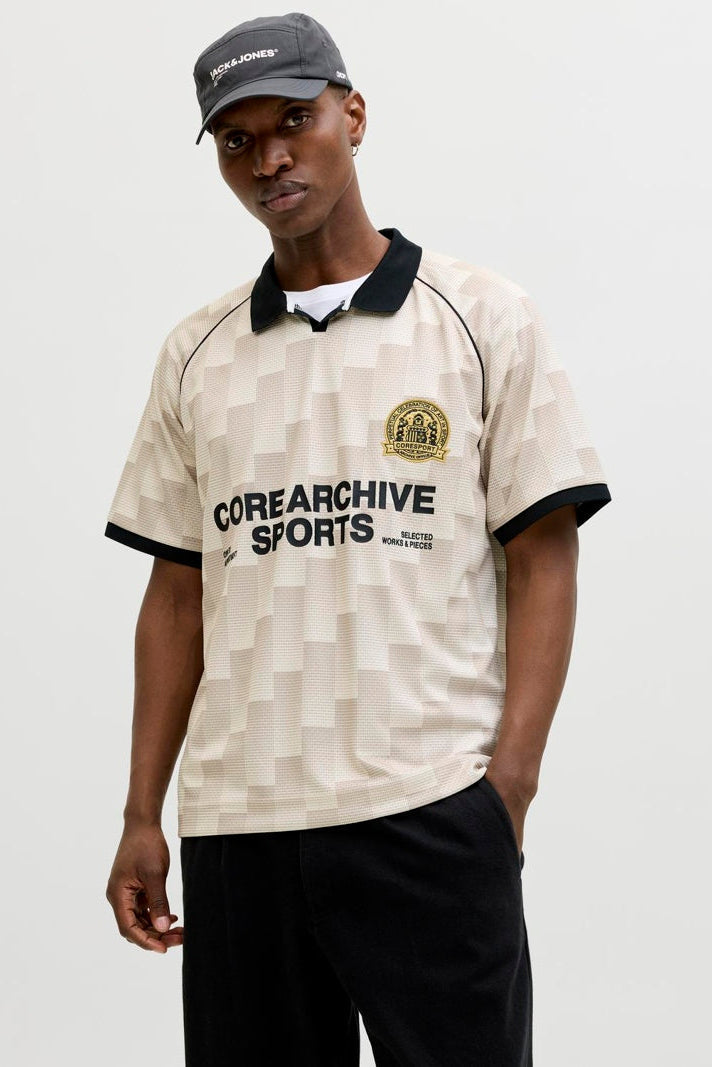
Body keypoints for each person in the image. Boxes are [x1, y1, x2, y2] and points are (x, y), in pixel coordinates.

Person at [104, 12, 611, 1066]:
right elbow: (177, 593)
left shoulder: (482, 316)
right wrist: (142, 812)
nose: (269, 159)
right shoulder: (196, 353)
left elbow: (544, 555)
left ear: (354, 115)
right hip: (239, 820)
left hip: (427, 805)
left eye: (294, 121)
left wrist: (507, 787)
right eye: (237, 140)